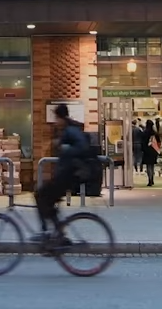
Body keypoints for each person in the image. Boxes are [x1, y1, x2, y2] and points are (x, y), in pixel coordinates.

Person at [32, 104, 92, 245]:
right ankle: (57, 233)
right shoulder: (67, 130)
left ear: (62, 117)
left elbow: (82, 147)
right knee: (47, 199)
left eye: (56, 118)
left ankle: (46, 232)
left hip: (68, 176)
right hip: (65, 175)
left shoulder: (71, 130)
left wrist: (65, 148)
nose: (55, 122)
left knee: (40, 195)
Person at [141, 119, 160, 186]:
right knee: (152, 166)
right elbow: (158, 142)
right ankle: (152, 179)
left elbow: (142, 142)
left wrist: (143, 150)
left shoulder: (145, 132)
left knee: (148, 166)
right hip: (154, 150)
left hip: (147, 151)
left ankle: (150, 180)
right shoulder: (155, 133)